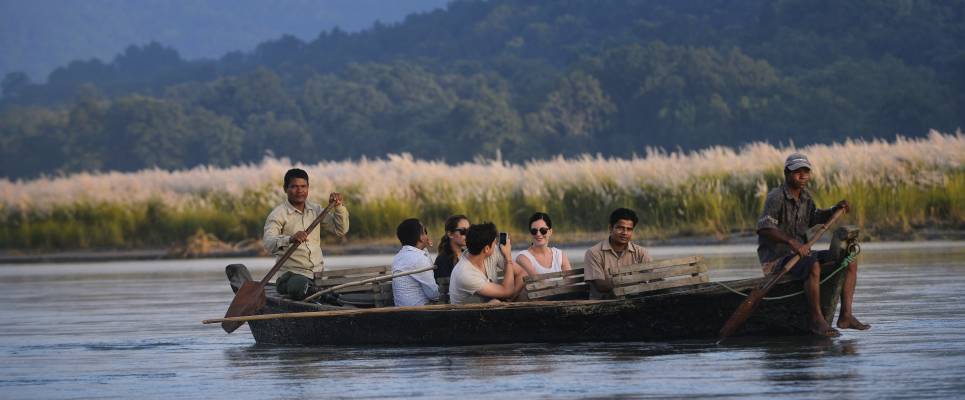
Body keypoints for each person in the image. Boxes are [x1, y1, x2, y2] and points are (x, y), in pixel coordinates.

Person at [757, 153, 870, 337]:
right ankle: (816, 319)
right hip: (777, 260)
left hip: (802, 256)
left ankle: (846, 315)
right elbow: (764, 228)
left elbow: (814, 217)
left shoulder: (806, 198)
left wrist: (835, 209)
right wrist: (792, 242)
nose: (803, 176)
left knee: (849, 258)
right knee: (813, 264)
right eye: (797, 172)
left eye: (806, 172)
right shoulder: (776, 197)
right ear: (786, 173)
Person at [263, 168, 350, 301]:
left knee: (344, 283)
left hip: (318, 275)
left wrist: (338, 207)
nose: (300, 191)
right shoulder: (278, 214)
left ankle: (323, 295)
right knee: (300, 286)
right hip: (291, 276)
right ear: (285, 189)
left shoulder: (316, 210)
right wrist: (290, 239)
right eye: (294, 187)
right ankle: (323, 296)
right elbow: (269, 243)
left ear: (308, 188)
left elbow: (340, 230)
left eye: (303, 186)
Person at [448, 222, 526, 304]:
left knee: (524, 295)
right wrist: (508, 257)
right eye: (494, 243)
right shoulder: (465, 274)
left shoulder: (490, 251)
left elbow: (522, 274)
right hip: (466, 314)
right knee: (495, 303)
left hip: (489, 307)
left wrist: (509, 300)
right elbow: (507, 291)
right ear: (487, 249)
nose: (496, 245)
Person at [584, 208, 652, 300]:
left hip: (636, 302)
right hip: (603, 305)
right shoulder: (594, 253)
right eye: (620, 228)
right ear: (610, 228)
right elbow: (601, 285)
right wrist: (637, 280)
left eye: (629, 229)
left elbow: (652, 278)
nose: (625, 233)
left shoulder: (641, 252)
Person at [391, 218, 440, 306]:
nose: (427, 235)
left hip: (401, 311)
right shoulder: (419, 259)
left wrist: (424, 248)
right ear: (420, 237)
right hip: (418, 312)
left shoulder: (399, 256)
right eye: (425, 231)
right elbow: (434, 295)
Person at [516, 212, 572, 277]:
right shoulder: (523, 257)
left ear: (550, 232)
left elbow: (570, 283)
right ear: (530, 233)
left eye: (543, 230)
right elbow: (538, 281)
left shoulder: (560, 256)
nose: (538, 234)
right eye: (534, 231)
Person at [434, 214, 471, 279]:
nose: (467, 234)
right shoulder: (442, 260)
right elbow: (446, 287)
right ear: (450, 234)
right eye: (463, 231)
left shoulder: (468, 255)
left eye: (469, 231)